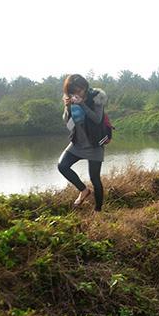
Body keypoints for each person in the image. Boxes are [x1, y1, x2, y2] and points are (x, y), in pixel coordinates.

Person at [57, 74, 107, 212]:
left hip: (94, 143)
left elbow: (97, 119)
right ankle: (84, 190)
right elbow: (67, 122)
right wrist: (67, 107)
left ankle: (98, 211)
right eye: (73, 91)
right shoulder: (71, 99)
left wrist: (82, 104)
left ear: (85, 87)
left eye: (79, 90)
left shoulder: (96, 97)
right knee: (62, 166)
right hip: (78, 142)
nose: (76, 93)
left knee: (95, 179)